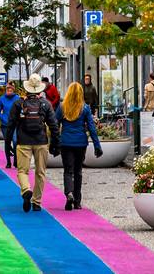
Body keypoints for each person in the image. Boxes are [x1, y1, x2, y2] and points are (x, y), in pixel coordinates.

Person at [8, 73, 59, 213]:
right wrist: (56, 143)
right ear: (40, 90)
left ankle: (26, 190)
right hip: (41, 141)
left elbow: (10, 124)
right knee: (40, 172)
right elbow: (54, 125)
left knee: (22, 170)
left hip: (23, 141)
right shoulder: (45, 104)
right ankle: (37, 202)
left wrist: (8, 143)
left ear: (27, 88)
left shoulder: (19, 103)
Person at [56, 81, 102, 211]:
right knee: (78, 171)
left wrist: (55, 141)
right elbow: (92, 128)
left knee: (68, 170)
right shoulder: (85, 108)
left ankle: (68, 193)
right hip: (81, 143)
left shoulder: (62, 107)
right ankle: (77, 201)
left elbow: (54, 123)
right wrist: (97, 145)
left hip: (66, 142)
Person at [0, 82, 19, 168]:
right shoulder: (2, 99)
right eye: (8, 89)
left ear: (13, 89)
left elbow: (21, 109)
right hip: (5, 124)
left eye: (11, 89)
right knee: (7, 142)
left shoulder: (17, 98)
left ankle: (16, 161)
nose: (9, 91)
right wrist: (2, 117)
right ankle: (8, 162)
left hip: (15, 124)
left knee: (16, 141)